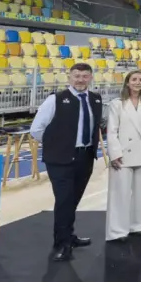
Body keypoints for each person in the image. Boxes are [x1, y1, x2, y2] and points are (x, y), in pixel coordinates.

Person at [29, 62, 104, 262]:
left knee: (73, 201)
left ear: (91, 78)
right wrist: (57, 145)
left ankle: (67, 236)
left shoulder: (96, 99)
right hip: (60, 159)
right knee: (64, 200)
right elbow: (36, 130)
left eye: (85, 76)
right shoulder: (55, 100)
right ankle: (62, 243)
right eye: (76, 76)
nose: (80, 79)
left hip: (85, 156)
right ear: (69, 77)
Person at [105, 69, 141, 242]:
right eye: (134, 79)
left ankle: (140, 225)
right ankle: (117, 231)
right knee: (119, 194)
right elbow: (112, 131)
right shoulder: (117, 104)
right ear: (127, 82)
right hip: (123, 155)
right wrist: (114, 154)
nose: (137, 82)